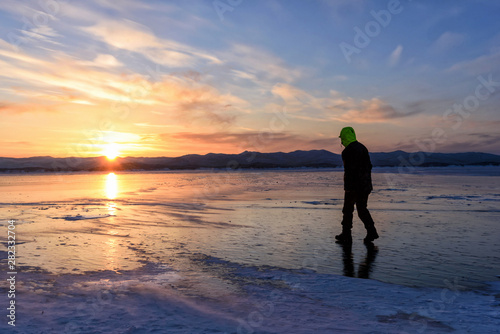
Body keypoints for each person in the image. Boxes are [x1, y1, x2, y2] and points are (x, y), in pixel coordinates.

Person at [335, 127, 379, 244]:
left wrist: (349, 188)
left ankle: (346, 234)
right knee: (362, 209)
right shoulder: (363, 148)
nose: (341, 142)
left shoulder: (347, 152)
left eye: (342, 138)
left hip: (354, 186)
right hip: (365, 185)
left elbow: (350, 171)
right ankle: (372, 231)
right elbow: (369, 166)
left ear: (344, 137)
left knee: (348, 210)